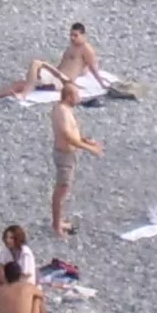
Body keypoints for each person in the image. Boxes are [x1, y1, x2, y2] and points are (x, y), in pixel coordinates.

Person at [0, 22, 109, 102]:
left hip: (62, 81)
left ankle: (24, 95)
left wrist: (102, 84)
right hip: (57, 76)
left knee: (36, 63)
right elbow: (75, 66)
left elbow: (93, 67)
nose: (72, 38)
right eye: (71, 35)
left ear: (83, 35)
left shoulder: (86, 49)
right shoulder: (72, 47)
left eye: (76, 35)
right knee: (20, 83)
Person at [51, 82, 103, 237]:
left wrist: (85, 140)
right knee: (61, 191)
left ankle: (58, 221)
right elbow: (66, 135)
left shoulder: (65, 110)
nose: (79, 98)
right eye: (76, 95)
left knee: (63, 190)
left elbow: (72, 134)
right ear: (69, 97)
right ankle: (56, 225)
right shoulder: (61, 112)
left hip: (69, 154)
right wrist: (89, 149)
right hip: (64, 156)